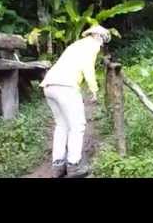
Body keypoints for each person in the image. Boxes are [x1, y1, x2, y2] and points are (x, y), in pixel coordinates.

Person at [40, 25, 111, 178]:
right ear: (99, 37)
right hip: (66, 87)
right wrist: (94, 89)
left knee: (62, 125)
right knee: (77, 125)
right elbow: (88, 68)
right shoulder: (92, 46)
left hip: (49, 85)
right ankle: (74, 165)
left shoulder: (76, 44)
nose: (102, 45)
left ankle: (57, 166)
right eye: (103, 41)